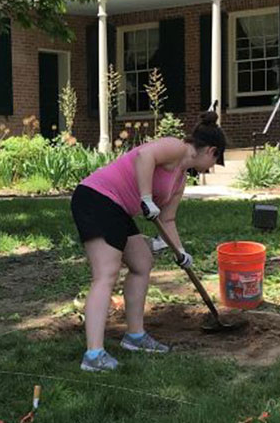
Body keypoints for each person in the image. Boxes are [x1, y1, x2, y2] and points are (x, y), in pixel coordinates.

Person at [70, 111, 227, 372]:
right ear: (211, 150)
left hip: (117, 208)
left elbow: (167, 221)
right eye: (215, 160)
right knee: (106, 274)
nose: (211, 166)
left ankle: (135, 337)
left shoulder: (180, 180)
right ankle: (94, 355)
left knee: (142, 261)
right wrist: (146, 197)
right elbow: (144, 156)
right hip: (96, 198)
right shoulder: (176, 147)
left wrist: (181, 252)